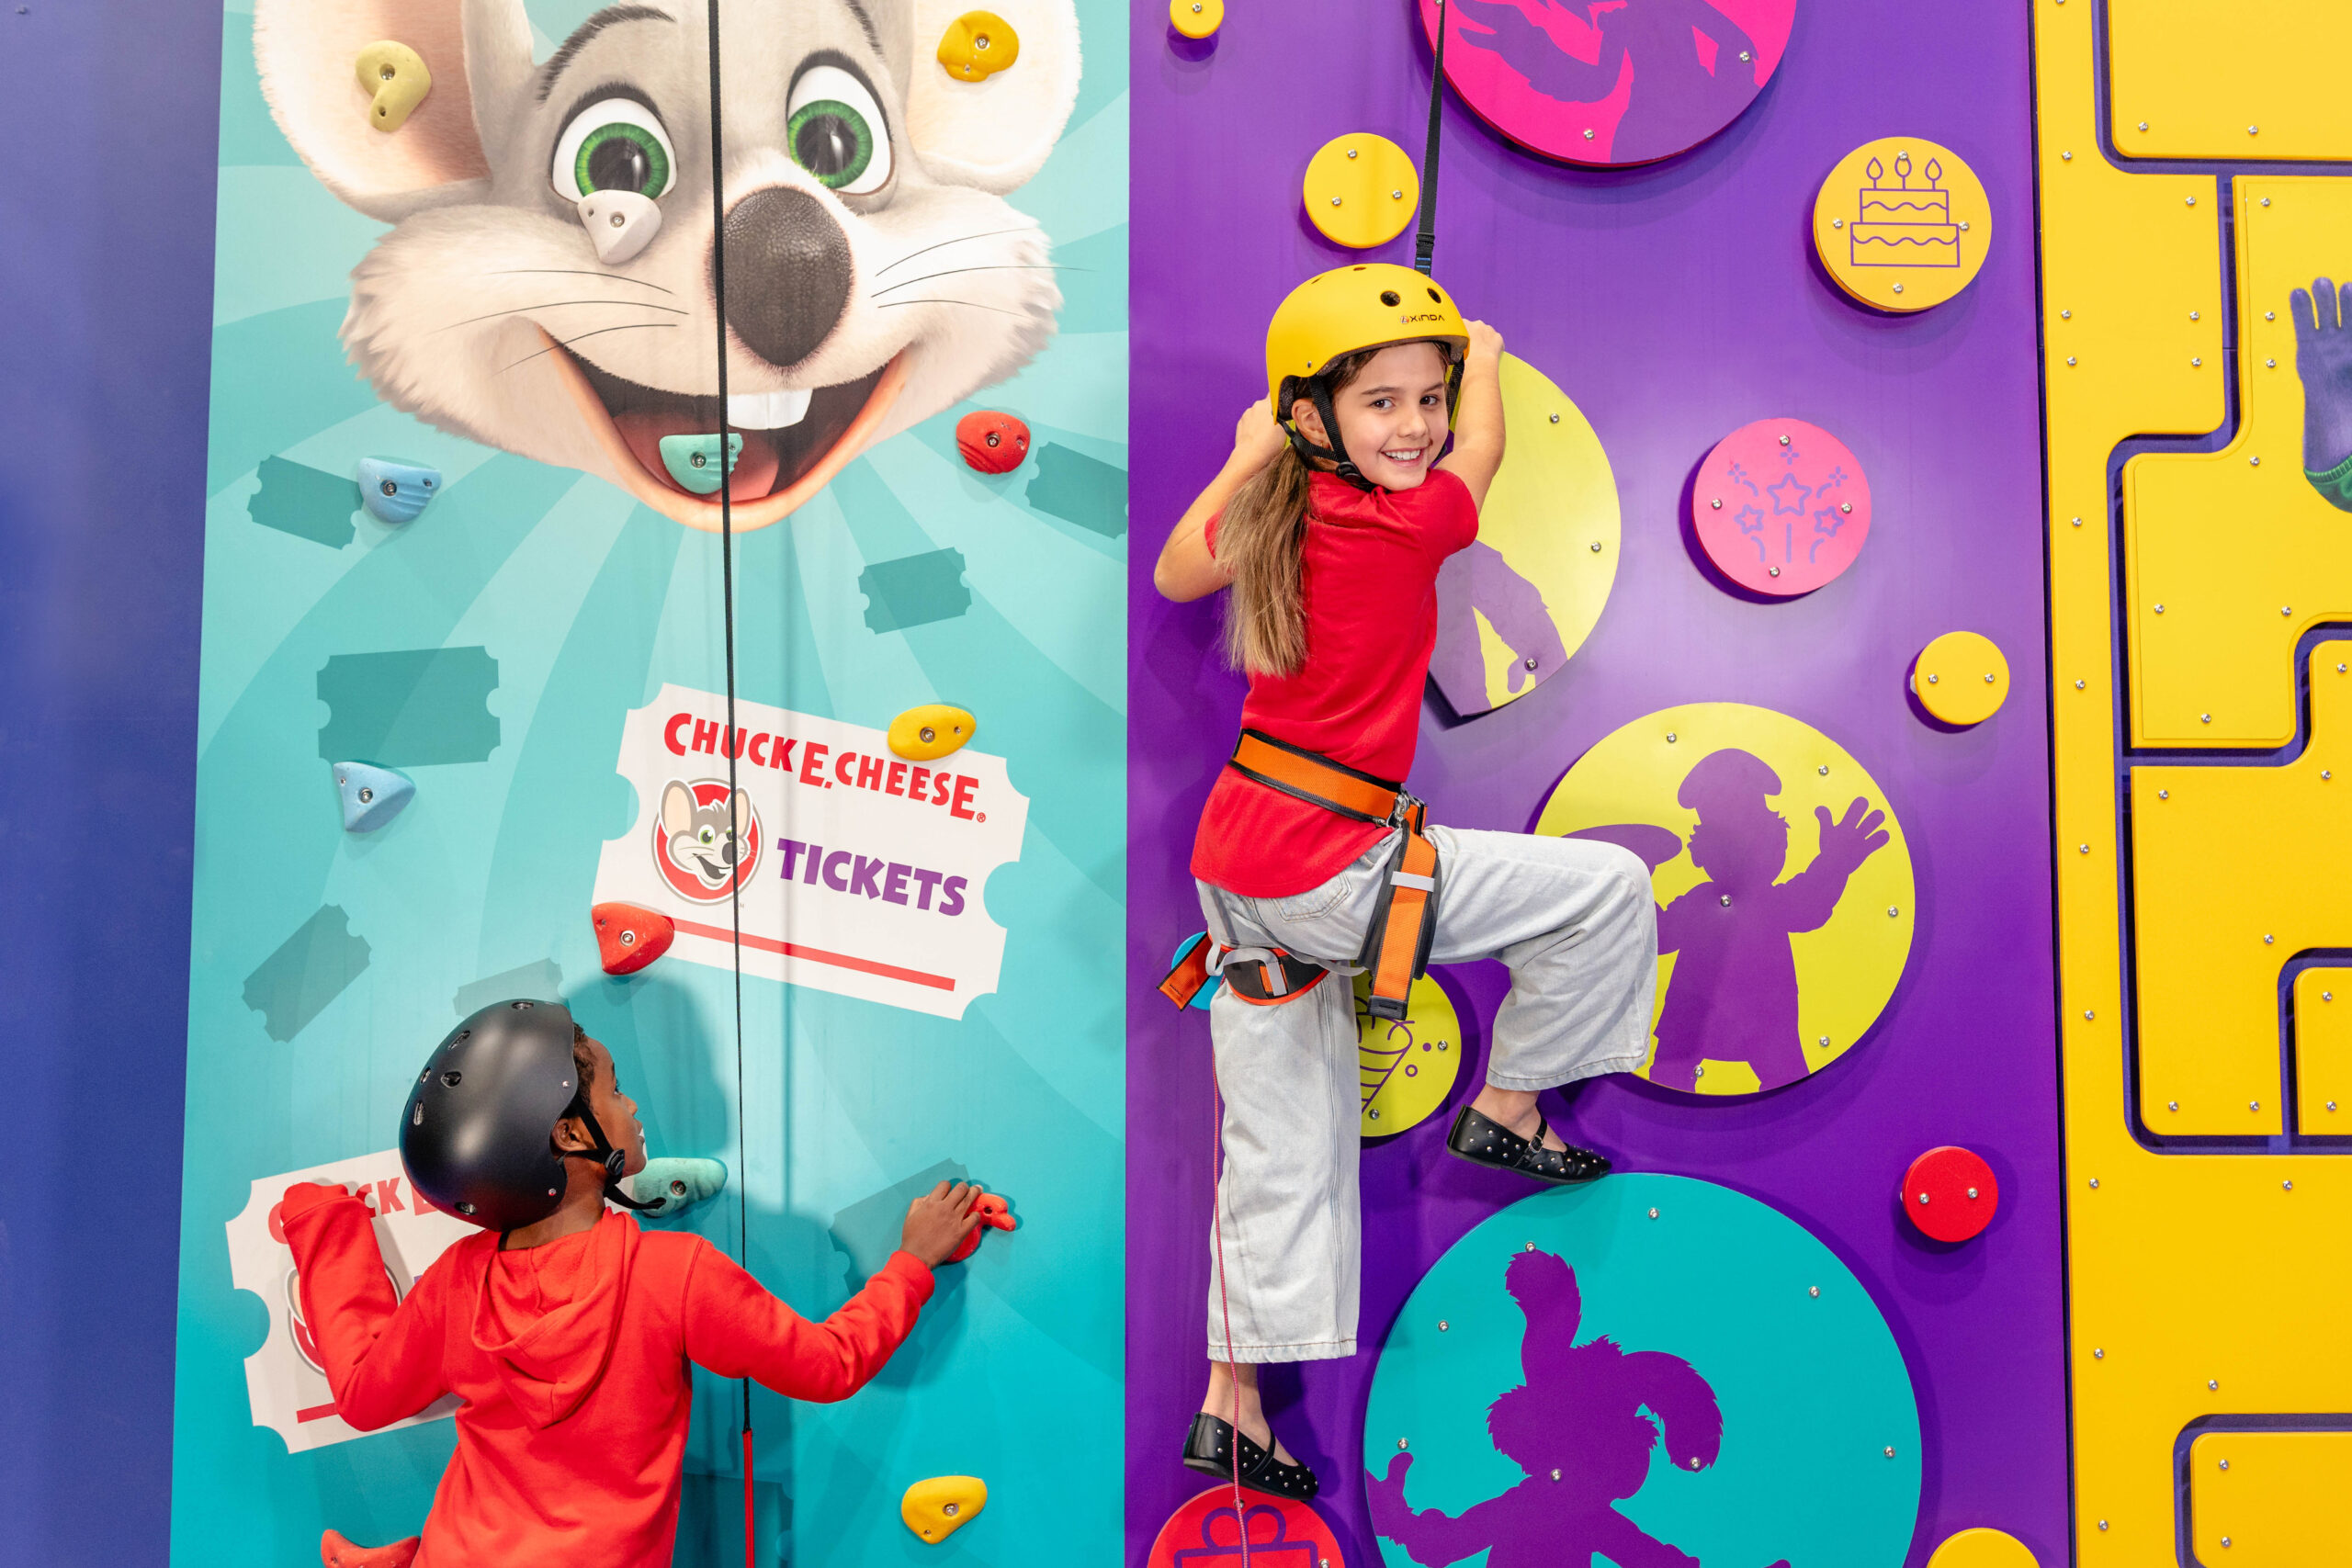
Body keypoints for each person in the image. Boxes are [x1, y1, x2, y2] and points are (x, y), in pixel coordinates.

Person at [1153, 264, 1659, 1499]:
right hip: (1334, 870)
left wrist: (1248, 448)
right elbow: (1483, 455)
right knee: (1606, 891)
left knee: (1284, 1152)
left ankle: (1236, 1403)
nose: (1422, 426)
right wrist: (1481, 355)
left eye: (1426, 398)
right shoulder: (1408, 519)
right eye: (1386, 402)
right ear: (1319, 418)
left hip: (1241, 873)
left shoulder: (1277, 510)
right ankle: (1515, 1107)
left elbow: (1175, 568)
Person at [278, 998, 983, 1567]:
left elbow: (365, 1395)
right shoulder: (675, 1275)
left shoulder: (460, 1282)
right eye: (613, 1089)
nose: (632, 1102)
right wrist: (912, 1261)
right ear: (570, 1139)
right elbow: (830, 1365)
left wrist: (325, 1226)